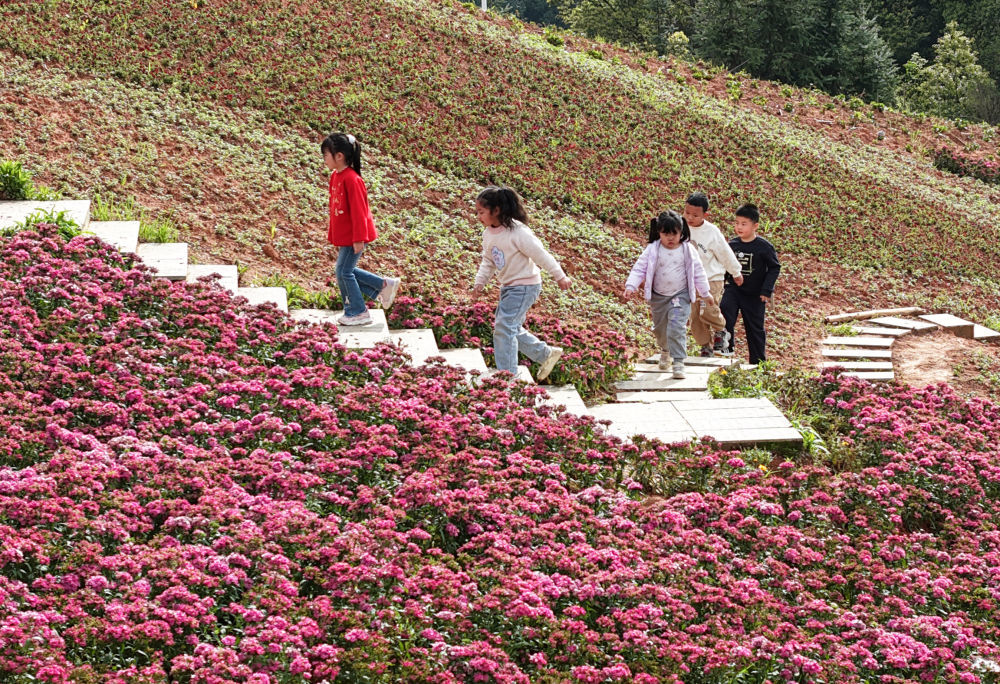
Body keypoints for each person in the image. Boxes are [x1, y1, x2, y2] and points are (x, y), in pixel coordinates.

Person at [471, 186, 571, 381]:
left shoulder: (518, 232)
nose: (478, 216)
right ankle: (545, 354)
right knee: (510, 327)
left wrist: (560, 276)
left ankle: (507, 375)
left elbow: (541, 255)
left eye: (481, 212)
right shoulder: (488, 234)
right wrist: (479, 283)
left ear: (496, 210)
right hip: (509, 286)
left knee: (504, 326)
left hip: (525, 286)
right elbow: (488, 261)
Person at [321, 132, 401, 326]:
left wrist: (359, 238)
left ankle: (357, 311)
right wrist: (335, 236)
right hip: (345, 236)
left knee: (344, 272)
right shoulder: (336, 176)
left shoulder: (352, 179)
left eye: (326, 155)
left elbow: (359, 212)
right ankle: (383, 286)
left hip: (354, 236)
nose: (324, 160)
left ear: (339, 156)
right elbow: (336, 209)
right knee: (344, 270)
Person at [624, 210, 711, 379]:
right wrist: (631, 285)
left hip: (680, 295)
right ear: (659, 232)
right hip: (659, 297)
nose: (670, 238)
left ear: (681, 232)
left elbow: (698, 271)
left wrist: (705, 292)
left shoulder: (688, 250)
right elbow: (640, 268)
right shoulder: (652, 249)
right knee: (660, 330)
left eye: (674, 234)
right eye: (666, 234)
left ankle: (678, 361)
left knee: (677, 326)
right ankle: (665, 350)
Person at [683, 191, 744, 357]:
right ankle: (705, 346)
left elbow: (725, 253)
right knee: (695, 316)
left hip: (712, 279)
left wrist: (736, 272)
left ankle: (720, 329)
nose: (690, 217)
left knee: (708, 310)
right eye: (687, 213)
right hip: (690, 281)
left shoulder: (711, 231)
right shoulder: (680, 228)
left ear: (705, 214)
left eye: (695, 215)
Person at [720, 203, 781, 364]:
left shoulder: (764, 247)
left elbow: (775, 267)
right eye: (737, 223)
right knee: (725, 314)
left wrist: (766, 290)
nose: (739, 227)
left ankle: (758, 363)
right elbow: (725, 265)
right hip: (734, 290)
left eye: (744, 224)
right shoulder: (731, 245)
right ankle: (726, 352)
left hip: (755, 295)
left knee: (755, 329)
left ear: (755, 226)